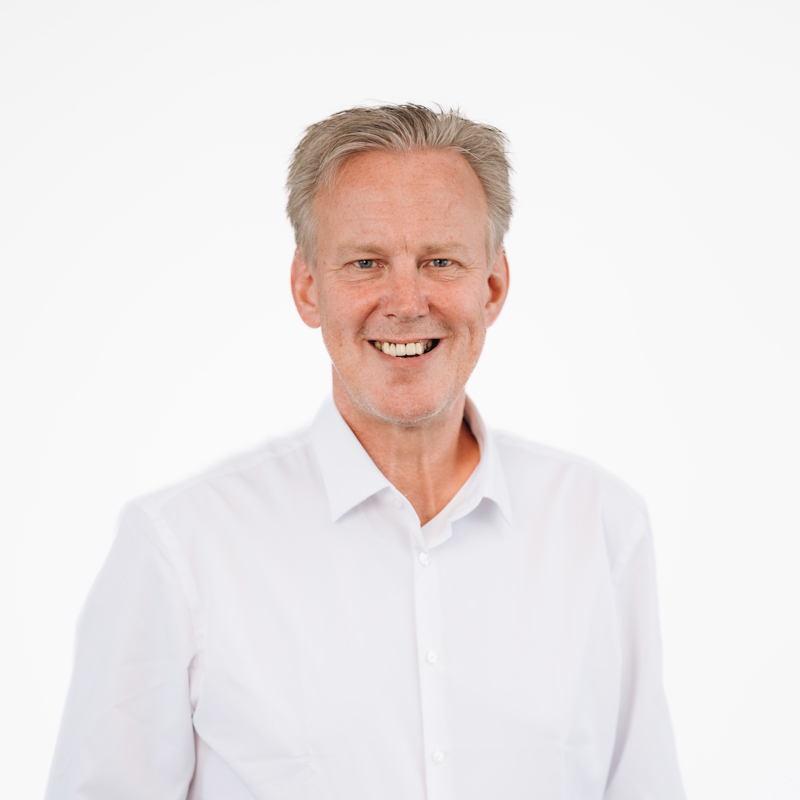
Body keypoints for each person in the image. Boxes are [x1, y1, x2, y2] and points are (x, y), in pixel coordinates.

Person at [45, 104, 685, 799]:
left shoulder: (601, 526)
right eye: (365, 262)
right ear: (307, 287)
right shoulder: (181, 549)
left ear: (493, 286)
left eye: (441, 261)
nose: (406, 301)